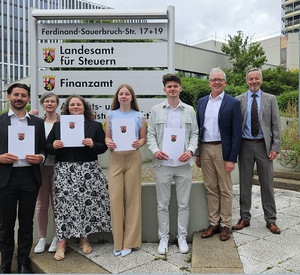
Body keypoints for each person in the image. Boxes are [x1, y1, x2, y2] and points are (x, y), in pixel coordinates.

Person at [45, 95, 111, 261]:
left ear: (84, 107)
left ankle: (84, 239)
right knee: (62, 205)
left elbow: (103, 147)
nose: (75, 107)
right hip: (64, 170)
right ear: (67, 108)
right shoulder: (58, 126)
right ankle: (62, 242)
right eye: (72, 104)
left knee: (85, 204)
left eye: (78, 104)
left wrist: (93, 144)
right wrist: (53, 145)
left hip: (88, 170)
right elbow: (45, 146)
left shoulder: (95, 126)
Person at [147, 74, 198, 255]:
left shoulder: (189, 110)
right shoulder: (156, 110)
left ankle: (182, 237)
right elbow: (150, 134)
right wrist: (155, 151)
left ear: (180, 88)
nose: (172, 89)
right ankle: (164, 238)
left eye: (175, 86)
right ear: (164, 89)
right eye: (169, 87)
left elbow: (195, 134)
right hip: (163, 164)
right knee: (163, 204)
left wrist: (190, 151)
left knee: (183, 203)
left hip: (183, 164)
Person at [0, 83, 46, 273]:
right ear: (9, 96)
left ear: (28, 99)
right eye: (16, 94)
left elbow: (43, 147)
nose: (20, 98)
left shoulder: (37, 122)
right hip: (5, 178)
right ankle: (5, 264)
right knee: (6, 224)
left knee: (26, 224)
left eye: (23, 95)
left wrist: (41, 158)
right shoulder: (0, 121)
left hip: (29, 177)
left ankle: (23, 263)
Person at [232, 68, 281, 234]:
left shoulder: (270, 99)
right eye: (251, 79)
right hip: (244, 146)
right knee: (244, 183)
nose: (254, 81)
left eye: (256, 78)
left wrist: (275, 147)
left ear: (261, 80)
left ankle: (271, 220)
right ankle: (244, 217)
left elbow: (276, 125)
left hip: (263, 146)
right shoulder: (238, 100)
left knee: (267, 183)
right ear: (247, 81)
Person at [195, 68, 242, 241]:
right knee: (211, 188)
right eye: (214, 79)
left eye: (220, 80)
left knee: (225, 189)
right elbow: (198, 129)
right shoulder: (201, 102)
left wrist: (231, 158)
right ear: (209, 82)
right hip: (206, 148)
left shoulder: (232, 103)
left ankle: (225, 225)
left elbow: (237, 133)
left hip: (223, 150)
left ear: (225, 83)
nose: (216, 82)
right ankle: (213, 223)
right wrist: (198, 153)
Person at [105, 84, 146, 257]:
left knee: (132, 199)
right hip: (115, 159)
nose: (123, 96)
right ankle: (118, 242)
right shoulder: (111, 115)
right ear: (117, 97)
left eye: (127, 93)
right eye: (121, 93)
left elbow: (142, 137)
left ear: (131, 97)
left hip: (132, 158)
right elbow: (107, 136)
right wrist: (108, 141)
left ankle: (130, 242)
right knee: (115, 199)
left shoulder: (139, 116)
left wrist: (140, 143)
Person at [34, 92, 60, 254]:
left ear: (57, 104)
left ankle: (57, 237)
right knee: (41, 204)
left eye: (52, 101)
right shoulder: (36, 122)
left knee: (58, 204)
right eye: (46, 101)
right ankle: (42, 238)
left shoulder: (64, 122)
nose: (49, 103)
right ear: (42, 104)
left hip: (59, 166)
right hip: (41, 166)